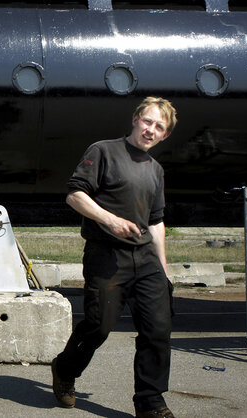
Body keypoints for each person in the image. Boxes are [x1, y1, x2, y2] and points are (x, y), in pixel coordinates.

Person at [51, 97, 178, 418]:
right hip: (107, 256)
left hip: (146, 260)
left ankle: (150, 402)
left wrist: (163, 268)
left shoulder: (156, 170)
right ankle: (65, 369)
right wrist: (109, 220)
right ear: (136, 119)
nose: (151, 130)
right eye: (148, 121)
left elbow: (156, 221)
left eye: (159, 127)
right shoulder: (104, 151)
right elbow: (75, 194)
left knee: (157, 330)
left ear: (165, 136)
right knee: (98, 327)